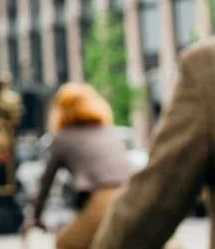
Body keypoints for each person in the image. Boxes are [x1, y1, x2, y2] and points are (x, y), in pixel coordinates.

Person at [91, 36, 215, 249]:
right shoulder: (113, 133)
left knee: (65, 241)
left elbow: (154, 200)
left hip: (101, 202)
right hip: (112, 194)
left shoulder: (211, 66)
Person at [22, 82, 132, 249]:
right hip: (131, 194)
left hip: (103, 199)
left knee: (66, 243)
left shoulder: (62, 138)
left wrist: (35, 217)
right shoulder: (109, 132)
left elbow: (46, 182)